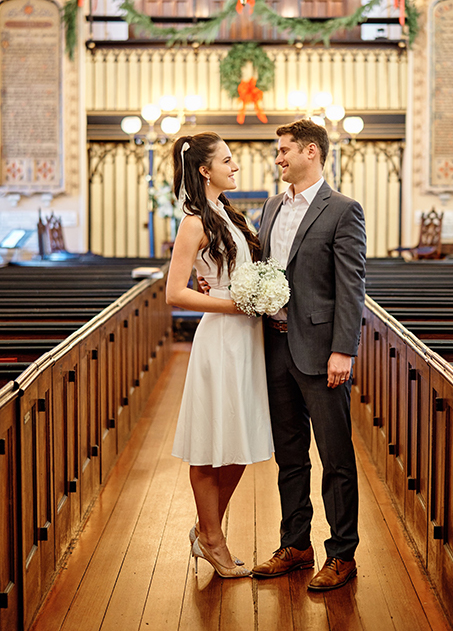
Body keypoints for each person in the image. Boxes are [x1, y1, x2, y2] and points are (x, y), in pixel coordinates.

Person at [252, 119, 366, 591]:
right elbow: (261, 269)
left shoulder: (342, 210)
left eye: (284, 150)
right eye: (278, 151)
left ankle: (342, 554)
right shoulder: (271, 205)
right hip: (275, 344)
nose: (278, 158)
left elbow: (351, 284)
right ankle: (296, 544)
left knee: (335, 455)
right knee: (290, 454)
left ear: (311, 153)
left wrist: (344, 349)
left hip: (321, 351)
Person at [167, 132, 273, 579]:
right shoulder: (194, 222)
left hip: (248, 338)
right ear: (205, 170)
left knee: (240, 443)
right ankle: (212, 538)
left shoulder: (229, 215)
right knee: (212, 443)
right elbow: (175, 292)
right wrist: (231, 303)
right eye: (228, 161)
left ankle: (204, 530)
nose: (236, 166)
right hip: (221, 338)